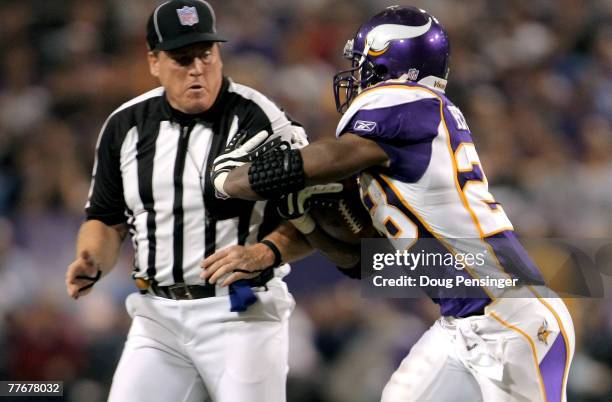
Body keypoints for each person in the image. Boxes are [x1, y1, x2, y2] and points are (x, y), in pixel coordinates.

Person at [212, 6, 576, 402]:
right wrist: (270, 250)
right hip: (460, 323)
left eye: (364, 63)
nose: (356, 75)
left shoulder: (411, 102)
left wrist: (236, 181)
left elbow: (330, 159)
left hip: (513, 320)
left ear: (390, 63)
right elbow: (358, 258)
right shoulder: (394, 150)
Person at [64, 1, 318, 401]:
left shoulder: (262, 120)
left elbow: (316, 216)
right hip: (156, 316)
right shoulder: (124, 126)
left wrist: (266, 252)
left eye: (206, 54)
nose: (197, 68)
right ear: (153, 61)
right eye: (182, 58)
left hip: (240, 312)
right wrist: (91, 258)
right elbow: (106, 218)